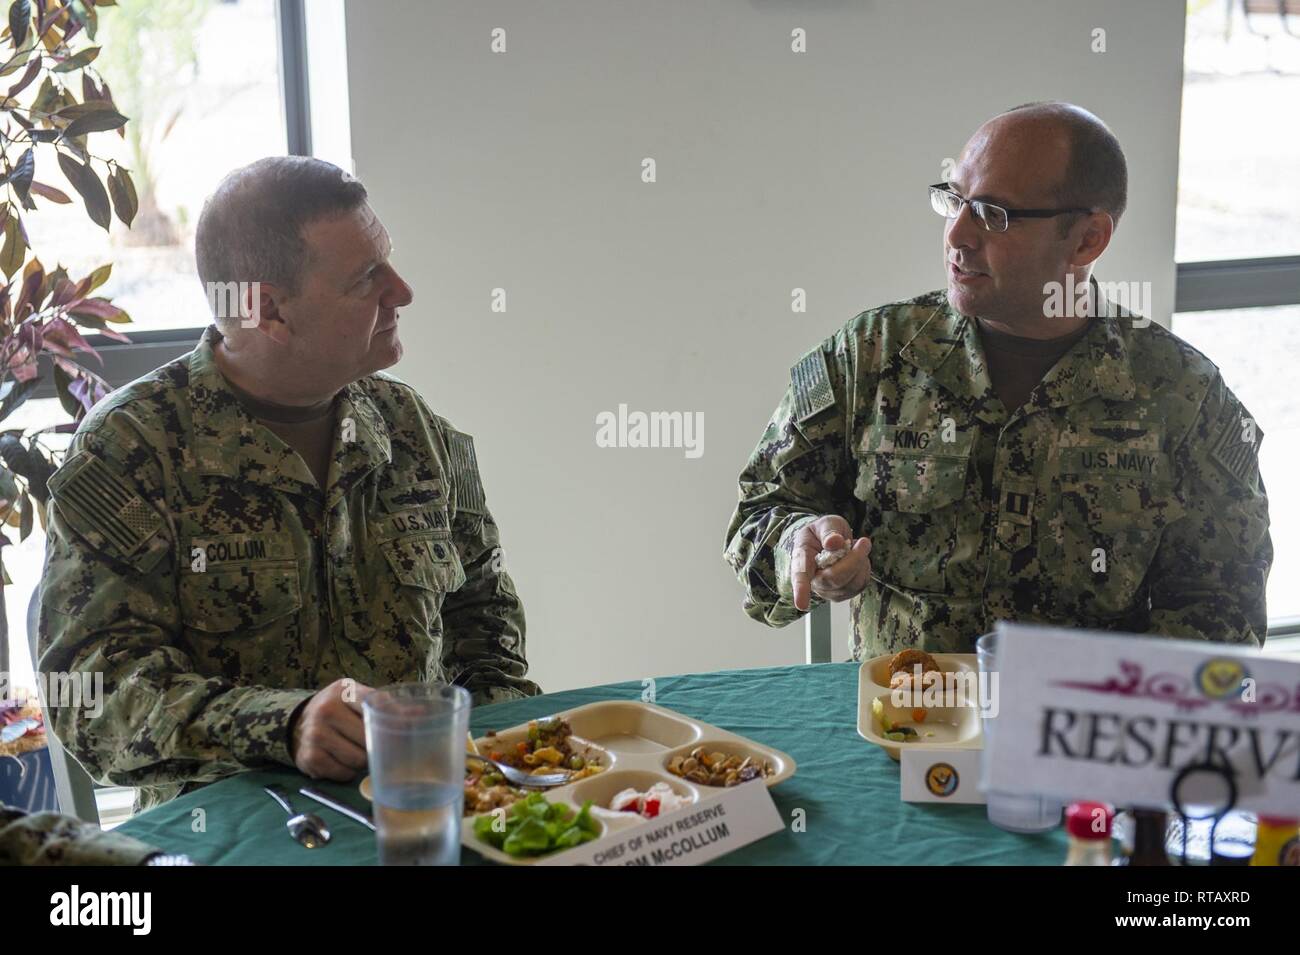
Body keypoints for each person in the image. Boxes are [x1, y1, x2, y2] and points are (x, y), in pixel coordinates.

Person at [39, 157, 539, 813]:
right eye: (368, 279)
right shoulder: (131, 451)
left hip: (419, 816)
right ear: (268, 309)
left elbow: (486, 634)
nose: (403, 291)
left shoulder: (415, 431)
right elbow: (94, 698)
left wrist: (507, 775)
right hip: (228, 834)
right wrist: (282, 723)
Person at [724, 102, 1271, 659]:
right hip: (901, 724)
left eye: (993, 215)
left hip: (1078, 734)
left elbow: (1224, 611)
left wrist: (1102, 708)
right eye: (955, 200)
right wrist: (800, 547)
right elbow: (760, 511)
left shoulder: (1183, 395)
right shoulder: (872, 356)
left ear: (1087, 240)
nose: (957, 234)